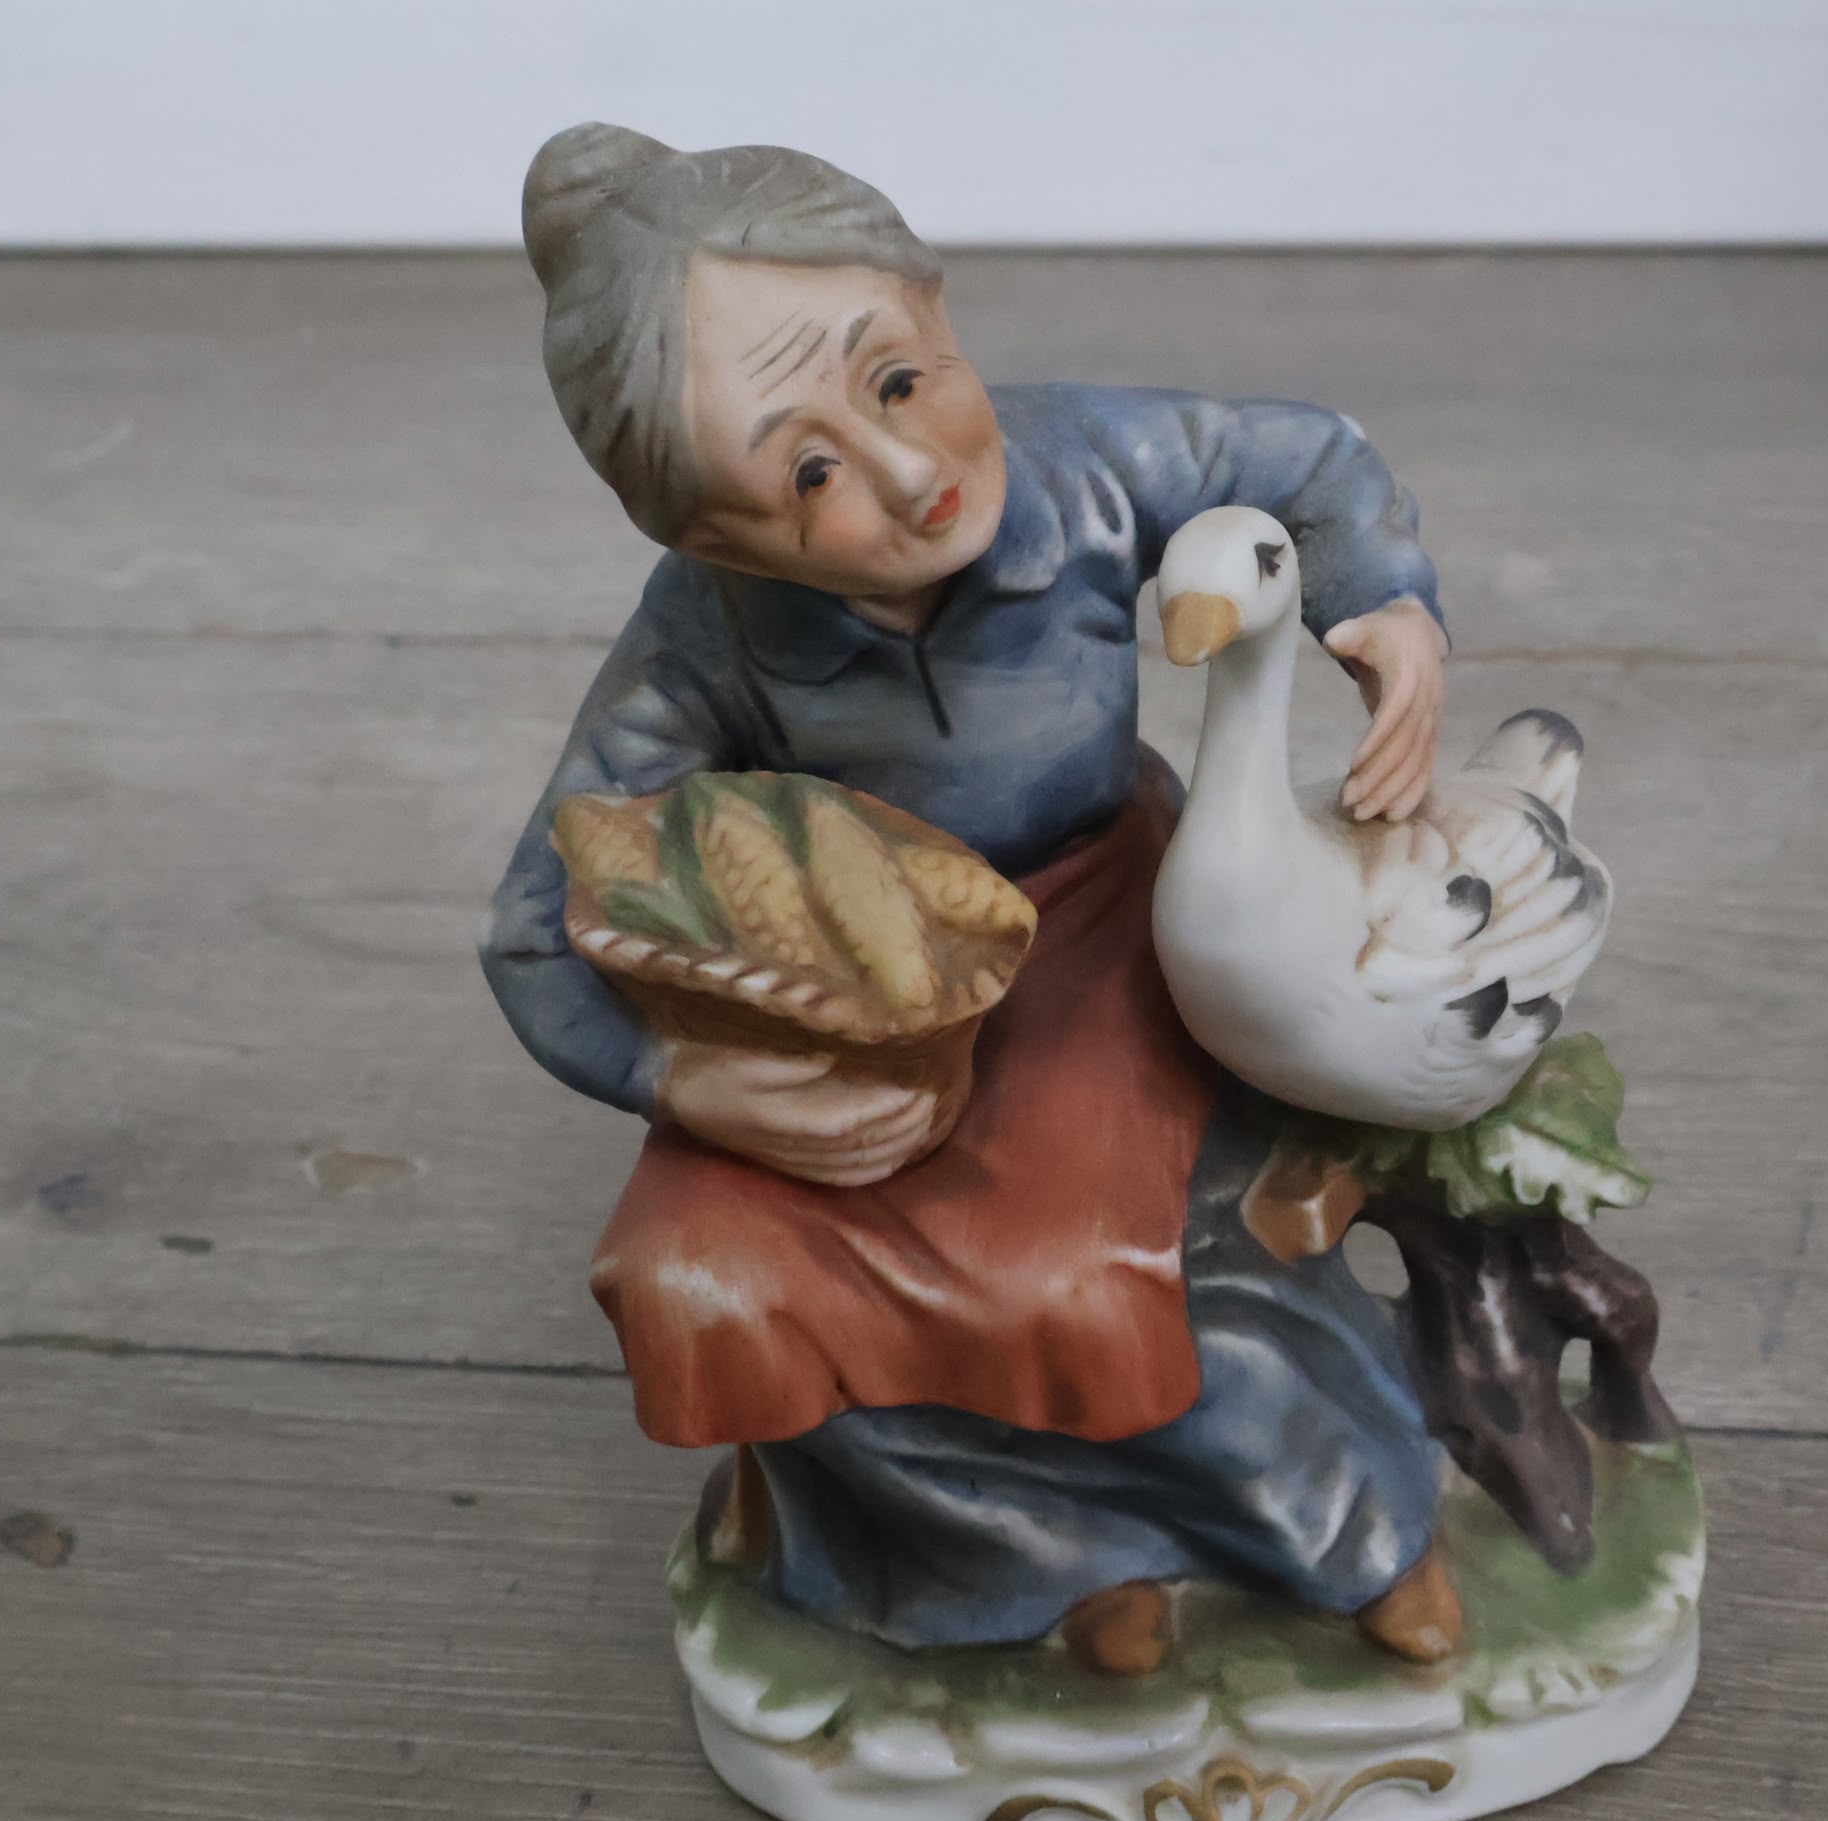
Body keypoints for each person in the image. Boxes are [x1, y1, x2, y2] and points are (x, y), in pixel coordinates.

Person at [480, 124, 1463, 1675]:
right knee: (703, 1278)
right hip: (861, 993)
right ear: (710, 532)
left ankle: (1349, 1531)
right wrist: (687, 1079)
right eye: (806, 473)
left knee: (1098, 1268)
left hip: (1105, 930)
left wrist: (1387, 604)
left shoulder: (1086, 469)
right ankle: (1028, 1562)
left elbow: (1307, 461)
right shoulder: (704, 637)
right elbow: (540, 918)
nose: (910, 472)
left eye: (898, 380)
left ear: (936, 307)